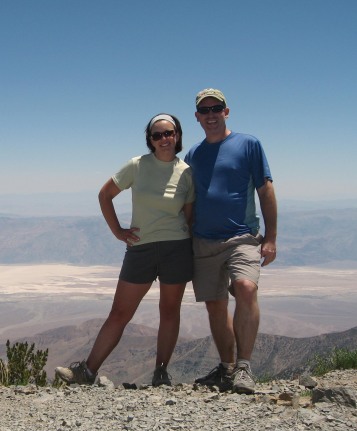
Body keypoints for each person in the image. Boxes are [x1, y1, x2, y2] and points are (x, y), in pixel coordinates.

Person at [55, 113, 195, 387]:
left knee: (169, 311)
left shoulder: (187, 172)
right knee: (120, 312)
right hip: (140, 249)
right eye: (158, 135)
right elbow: (105, 194)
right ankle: (87, 372)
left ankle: (161, 373)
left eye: (169, 133)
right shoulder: (137, 166)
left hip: (176, 249)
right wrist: (118, 231)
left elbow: (189, 216)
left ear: (177, 136)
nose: (164, 139)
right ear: (150, 140)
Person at [184, 88, 277, 394]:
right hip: (204, 240)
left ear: (226, 111)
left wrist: (271, 238)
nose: (211, 115)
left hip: (242, 236)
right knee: (214, 305)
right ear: (197, 117)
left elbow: (265, 190)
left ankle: (245, 367)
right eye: (205, 110)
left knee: (246, 288)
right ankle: (226, 370)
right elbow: (189, 199)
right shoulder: (194, 155)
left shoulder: (248, 144)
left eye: (216, 108)